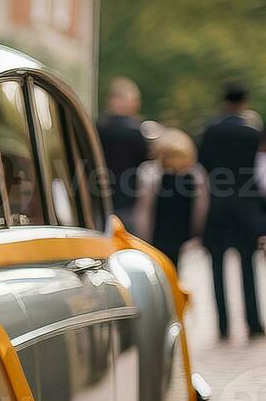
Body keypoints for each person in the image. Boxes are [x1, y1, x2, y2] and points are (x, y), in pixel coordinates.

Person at [198, 82, 264, 339]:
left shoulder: (211, 130)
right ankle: (253, 322)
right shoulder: (251, 131)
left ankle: (223, 325)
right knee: (248, 264)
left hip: (217, 202)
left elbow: (203, 165)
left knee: (217, 266)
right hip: (246, 204)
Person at [136, 128, 208, 270]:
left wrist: (142, 238)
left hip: (158, 233)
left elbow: (144, 209)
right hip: (183, 234)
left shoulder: (150, 173)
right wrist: (198, 234)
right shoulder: (196, 175)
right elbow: (201, 209)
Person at [97, 77, 151, 231]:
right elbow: (144, 162)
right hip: (128, 197)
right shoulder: (136, 131)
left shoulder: (96, 127)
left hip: (97, 194)